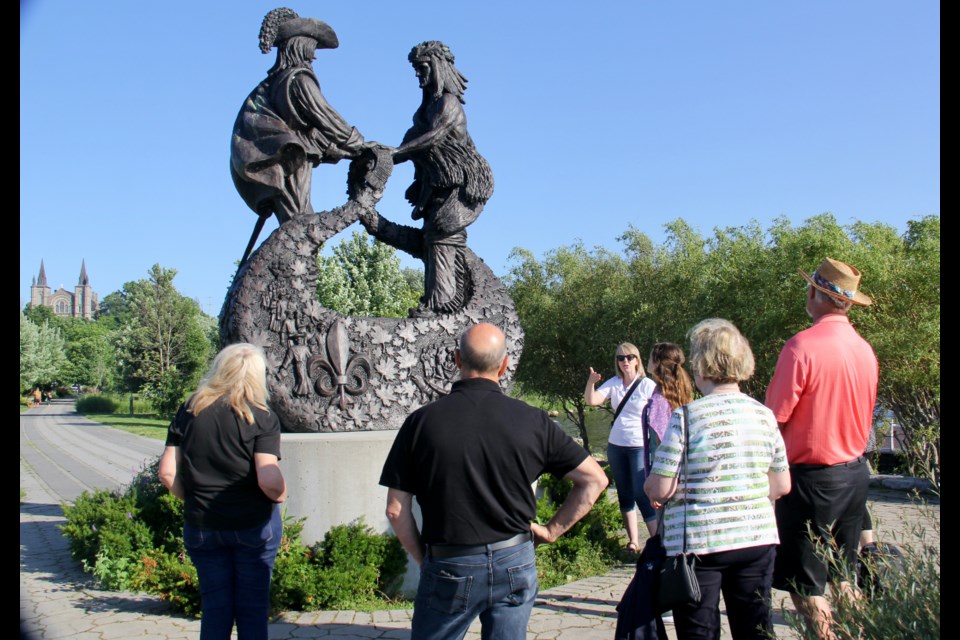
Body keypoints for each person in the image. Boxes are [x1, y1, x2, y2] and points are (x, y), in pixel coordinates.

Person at [380, 322, 608, 640]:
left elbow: (395, 509)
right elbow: (595, 480)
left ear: (457, 359)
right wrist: (552, 531)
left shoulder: (420, 423)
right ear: (504, 364)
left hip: (449, 562)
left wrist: (424, 561)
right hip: (514, 558)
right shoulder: (533, 421)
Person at [645, 319, 791, 640]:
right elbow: (781, 486)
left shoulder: (687, 416)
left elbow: (660, 488)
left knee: (699, 632)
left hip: (700, 545)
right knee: (755, 629)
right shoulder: (764, 415)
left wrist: (654, 488)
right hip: (756, 538)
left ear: (701, 365)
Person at [765, 257, 878, 638]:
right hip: (854, 475)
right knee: (845, 577)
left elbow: (773, 418)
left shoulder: (801, 347)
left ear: (815, 293)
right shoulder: (865, 350)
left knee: (806, 585)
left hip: (811, 481)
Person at [158, 343, 287, 640]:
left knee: (215, 609)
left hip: (202, 525)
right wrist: (280, 493)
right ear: (257, 375)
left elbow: (167, 473)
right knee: (252, 611)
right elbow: (268, 478)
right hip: (253, 525)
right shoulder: (261, 416)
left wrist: (192, 498)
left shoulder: (189, 410)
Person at [361, 41, 494, 315]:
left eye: (422, 68)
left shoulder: (448, 103)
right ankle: (441, 301)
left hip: (462, 188)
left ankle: (442, 306)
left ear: (436, 67)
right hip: (437, 188)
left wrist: (396, 152)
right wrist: (376, 155)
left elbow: (433, 137)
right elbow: (407, 146)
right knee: (431, 239)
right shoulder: (424, 111)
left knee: (440, 235)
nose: (418, 75)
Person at [231, 8, 366, 226]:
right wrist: (359, 144)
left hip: (279, 161)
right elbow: (324, 117)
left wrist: (340, 150)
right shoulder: (298, 79)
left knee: (298, 219)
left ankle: (297, 258)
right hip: (289, 161)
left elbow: (308, 131)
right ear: (299, 46)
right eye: (311, 48)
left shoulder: (273, 83)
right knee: (300, 221)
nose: (314, 56)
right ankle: (296, 259)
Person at [584, 343, 658, 550]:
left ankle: (656, 541)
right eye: (620, 358)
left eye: (629, 357)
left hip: (638, 445)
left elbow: (662, 411)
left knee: (640, 492)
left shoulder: (646, 385)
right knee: (624, 493)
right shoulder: (614, 383)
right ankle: (634, 542)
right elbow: (592, 400)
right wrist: (591, 383)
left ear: (637, 360)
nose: (625, 361)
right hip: (616, 445)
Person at [641, 342, 695, 472]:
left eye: (650, 358)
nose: (647, 361)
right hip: (682, 465)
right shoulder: (681, 392)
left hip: (664, 468)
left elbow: (662, 439)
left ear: (656, 362)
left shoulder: (659, 400)